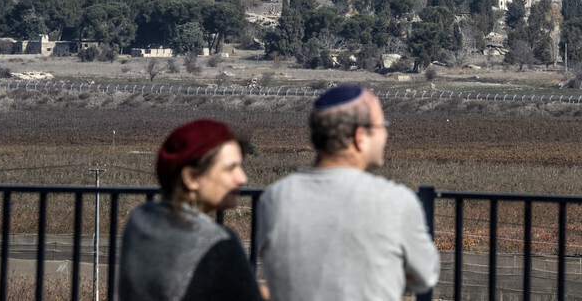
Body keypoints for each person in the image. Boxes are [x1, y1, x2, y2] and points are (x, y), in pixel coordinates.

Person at [256, 84, 440, 301]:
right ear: (360, 137)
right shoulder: (396, 201)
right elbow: (426, 276)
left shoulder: (275, 198)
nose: (386, 134)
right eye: (382, 126)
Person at [119, 119, 262, 301]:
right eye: (230, 168)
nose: (242, 178)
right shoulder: (218, 243)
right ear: (191, 177)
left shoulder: (140, 218)